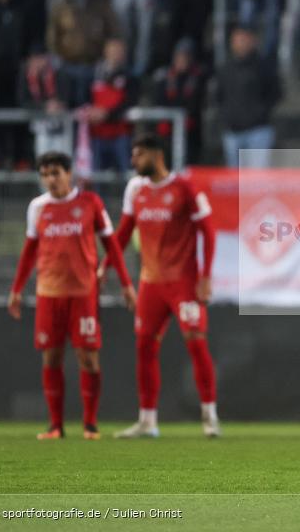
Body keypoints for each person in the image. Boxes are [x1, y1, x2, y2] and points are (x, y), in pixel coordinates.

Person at [7, 151, 136, 440]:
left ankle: (90, 424)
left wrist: (126, 283)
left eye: (55, 173)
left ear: (69, 173)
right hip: (48, 294)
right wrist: (16, 290)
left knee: (88, 357)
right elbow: (29, 252)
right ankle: (56, 426)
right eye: (45, 175)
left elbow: (112, 245)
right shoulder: (38, 208)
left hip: (83, 293)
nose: (50, 180)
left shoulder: (90, 203)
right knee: (51, 357)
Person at [109, 135, 219, 439]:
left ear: (157, 155)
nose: (132, 161)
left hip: (184, 284)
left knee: (196, 344)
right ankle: (147, 421)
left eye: (138, 154)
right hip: (150, 284)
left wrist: (206, 277)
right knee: (144, 347)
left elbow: (208, 233)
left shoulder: (184, 188)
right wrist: (104, 268)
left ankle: (209, 416)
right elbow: (122, 233)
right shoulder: (135, 189)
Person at [47, 0, 121, 107]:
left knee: (90, 107)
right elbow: (52, 36)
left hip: (94, 66)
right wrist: (57, 60)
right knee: (69, 107)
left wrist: (108, 58)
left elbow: (113, 33)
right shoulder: (61, 7)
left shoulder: (100, 5)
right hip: (67, 65)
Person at [217, 25, 281, 168]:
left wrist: (260, 112)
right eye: (237, 40)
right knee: (234, 179)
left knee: (257, 178)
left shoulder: (264, 67)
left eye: (244, 40)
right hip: (232, 131)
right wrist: (226, 116)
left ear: (252, 41)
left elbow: (275, 93)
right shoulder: (226, 68)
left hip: (258, 130)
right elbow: (219, 96)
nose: (240, 44)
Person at [151, 37, 207, 164]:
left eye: (185, 57)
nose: (181, 60)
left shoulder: (198, 77)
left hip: (190, 134)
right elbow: (160, 101)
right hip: (167, 134)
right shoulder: (165, 77)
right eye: (178, 56)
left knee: (188, 167)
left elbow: (194, 105)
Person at [87, 37, 138, 172]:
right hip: (97, 133)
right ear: (106, 52)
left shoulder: (130, 76)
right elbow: (87, 99)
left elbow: (129, 102)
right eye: (112, 50)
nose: (115, 54)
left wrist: (107, 114)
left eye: (119, 51)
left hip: (120, 133)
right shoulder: (94, 74)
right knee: (96, 174)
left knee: (126, 172)